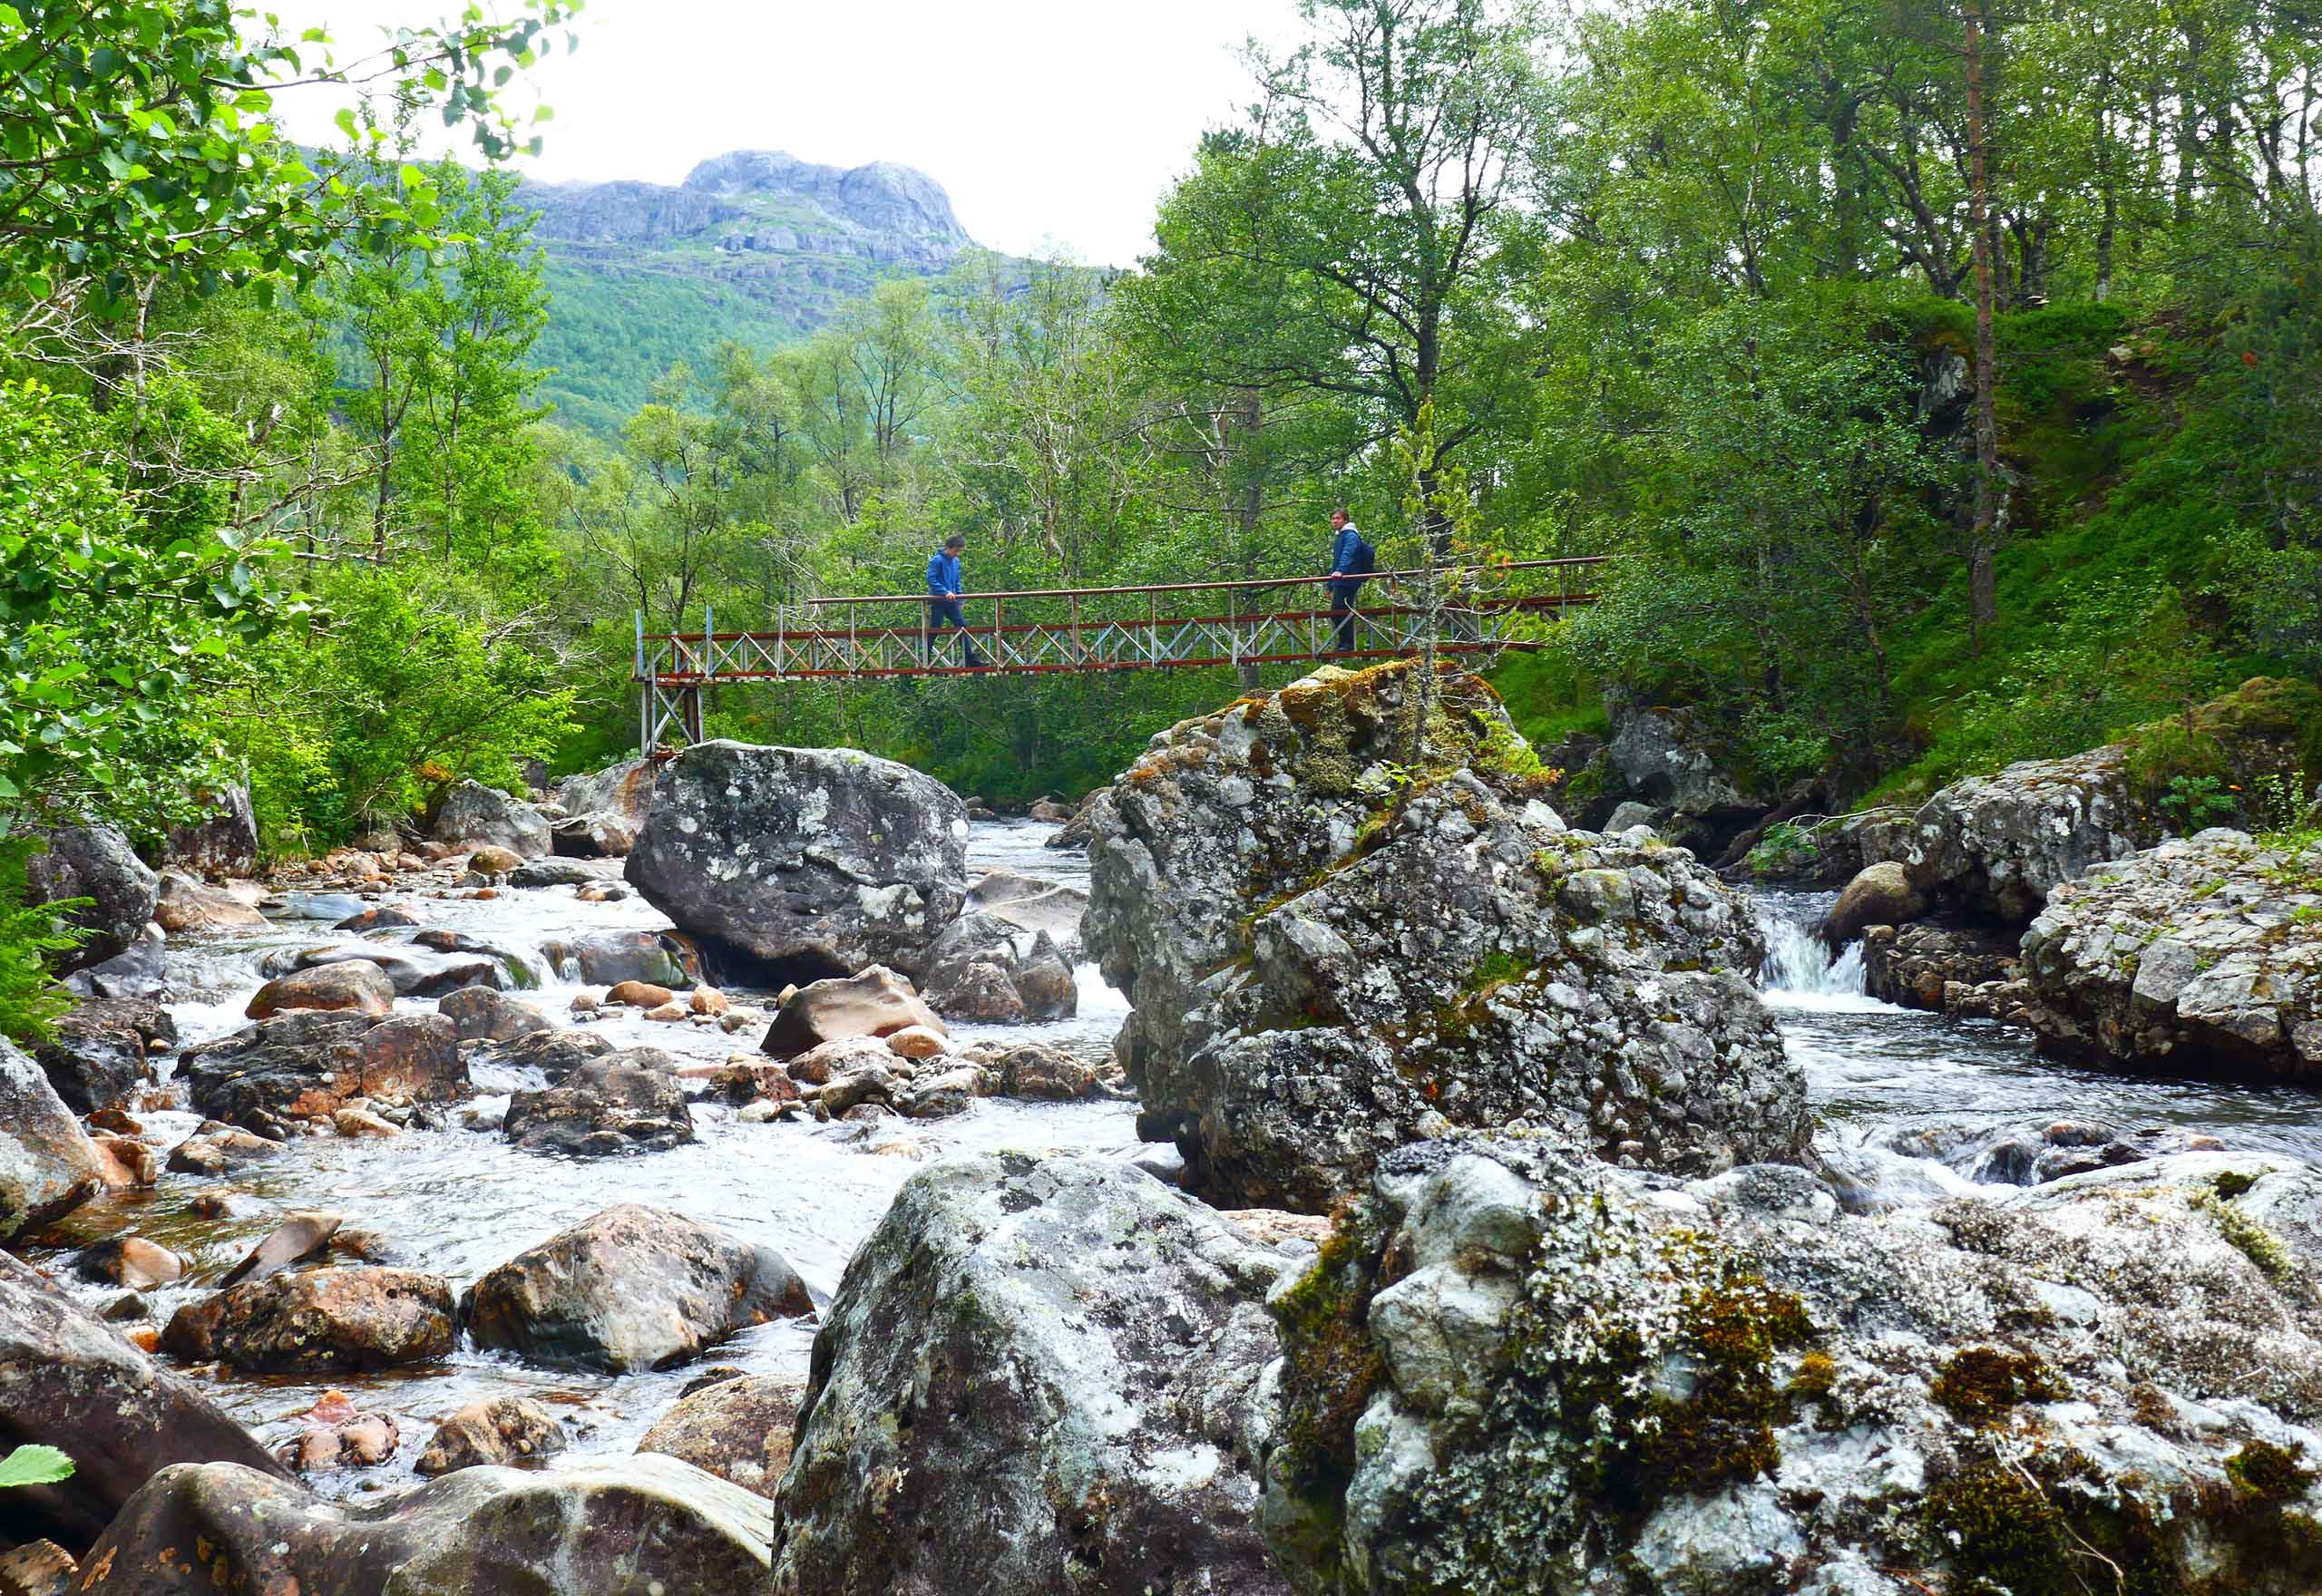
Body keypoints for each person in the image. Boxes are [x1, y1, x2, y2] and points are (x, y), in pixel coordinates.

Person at [924, 533, 987, 667]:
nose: (957, 554)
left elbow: (957, 581)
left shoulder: (956, 561)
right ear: (948, 547)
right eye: (956, 551)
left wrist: (960, 598)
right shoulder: (937, 560)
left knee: (962, 626)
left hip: (952, 602)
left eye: (959, 551)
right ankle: (925, 659)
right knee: (935, 628)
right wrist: (945, 591)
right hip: (938, 600)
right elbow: (931, 579)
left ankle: (970, 659)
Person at [1322, 508, 1373, 653]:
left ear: (1345, 520)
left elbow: (1347, 554)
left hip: (1349, 579)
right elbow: (1335, 562)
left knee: (1340, 610)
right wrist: (1330, 585)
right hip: (1342, 579)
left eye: (1337, 518)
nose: (1334, 521)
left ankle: (1347, 644)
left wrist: (1341, 571)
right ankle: (1344, 643)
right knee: (1339, 610)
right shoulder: (1342, 536)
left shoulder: (1350, 535)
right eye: (1333, 519)